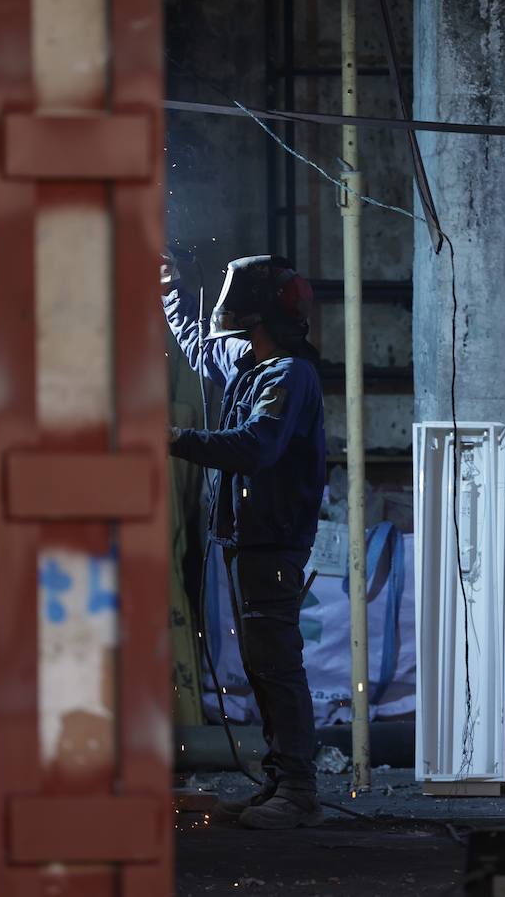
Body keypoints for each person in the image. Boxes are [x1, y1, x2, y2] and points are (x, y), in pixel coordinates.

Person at [161, 251, 327, 830]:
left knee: (277, 664)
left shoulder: (289, 375)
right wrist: (169, 290)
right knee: (261, 663)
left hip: (274, 540)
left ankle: (299, 791)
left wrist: (178, 437)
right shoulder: (250, 359)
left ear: (251, 314)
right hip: (246, 538)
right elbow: (198, 346)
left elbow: (258, 446)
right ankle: (282, 781)